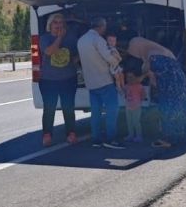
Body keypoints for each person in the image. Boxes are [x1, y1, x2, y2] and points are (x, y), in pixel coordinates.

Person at [126, 36, 186, 149]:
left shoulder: (153, 57)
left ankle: (169, 139)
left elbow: (155, 77)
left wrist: (145, 74)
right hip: (179, 84)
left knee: (168, 110)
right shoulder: (159, 51)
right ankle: (184, 136)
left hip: (170, 88)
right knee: (180, 108)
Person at [77, 17, 124, 149]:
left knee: (95, 112)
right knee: (111, 110)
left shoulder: (81, 40)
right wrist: (117, 60)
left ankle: (96, 139)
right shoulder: (98, 40)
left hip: (91, 83)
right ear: (101, 27)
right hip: (105, 81)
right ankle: (111, 139)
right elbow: (109, 58)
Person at [38, 13, 79, 147]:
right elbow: (49, 52)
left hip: (68, 79)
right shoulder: (44, 38)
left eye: (61, 22)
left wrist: (76, 60)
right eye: (55, 22)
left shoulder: (71, 38)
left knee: (68, 108)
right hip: (48, 80)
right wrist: (60, 38)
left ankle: (71, 133)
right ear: (50, 25)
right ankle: (47, 135)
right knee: (49, 109)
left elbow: (75, 55)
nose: (58, 25)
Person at [123, 67, 146, 143]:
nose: (129, 79)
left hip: (136, 107)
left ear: (136, 77)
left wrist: (141, 100)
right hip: (128, 107)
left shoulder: (139, 86)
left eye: (131, 77)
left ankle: (139, 136)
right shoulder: (126, 86)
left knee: (136, 122)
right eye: (128, 77)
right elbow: (125, 94)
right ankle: (131, 135)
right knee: (129, 122)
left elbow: (143, 94)